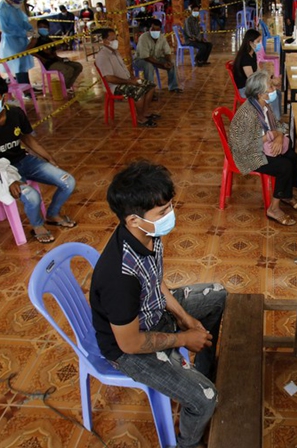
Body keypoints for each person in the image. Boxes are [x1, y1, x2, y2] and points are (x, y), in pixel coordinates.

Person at [91, 160, 226, 448]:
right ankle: (187, 444)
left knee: (217, 294)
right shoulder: (119, 277)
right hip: (128, 348)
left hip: (153, 311)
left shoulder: (149, 233)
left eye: (170, 207)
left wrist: (185, 318)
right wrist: (183, 338)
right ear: (133, 220)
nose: (171, 215)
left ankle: (203, 367)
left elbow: (154, 281)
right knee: (206, 399)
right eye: (163, 212)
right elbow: (129, 343)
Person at [0, 74, 77, 243]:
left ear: (4, 97)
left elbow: (27, 138)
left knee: (68, 182)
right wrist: (5, 181)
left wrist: (48, 158)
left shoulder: (15, 113)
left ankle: (52, 214)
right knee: (32, 196)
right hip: (2, 170)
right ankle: (37, 226)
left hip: (24, 160)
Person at [228, 72, 297, 226]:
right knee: (284, 166)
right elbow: (243, 147)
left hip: (264, 147)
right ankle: (273, 209)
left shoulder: (264, 105)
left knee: (293, 157)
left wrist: (279, 138)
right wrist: (271, 137)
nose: (274, 88)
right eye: (270, 87)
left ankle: (286, 195)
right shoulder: (248, 114)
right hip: (249, 155)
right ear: (260, 93)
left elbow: (279, 125)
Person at [95, 28, 159, 127]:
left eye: (115, 38)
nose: (115, 41)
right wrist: (129, 82)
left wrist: (131, 78)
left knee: (150, 86)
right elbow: (109, 78)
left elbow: (123, 70)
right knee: (138, 91)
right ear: (104, 41)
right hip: (115, 87)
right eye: (112, 39)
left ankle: (145, 113)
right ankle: (140, 118)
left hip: (126, 81)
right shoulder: (103, 56)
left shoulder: (115, 52)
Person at [232, 29, 282, 118]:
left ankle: (276, 118)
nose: (260, 44)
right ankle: (275, 120)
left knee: (277, 92)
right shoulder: (245, 58)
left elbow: (259, 72)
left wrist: (270, 78)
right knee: (272, 94)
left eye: (260, 41)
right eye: (258, 41)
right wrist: (269, 83)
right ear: (250, 43)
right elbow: (252, 80)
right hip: (246, 89)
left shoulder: (253, 54)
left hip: (252, 84)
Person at [29, 20, 83, 90]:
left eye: (44, 27)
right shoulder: (36, 38)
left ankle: (66, 87)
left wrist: (59, 56)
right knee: (68, 70)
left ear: (48, 28)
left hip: (56, 60)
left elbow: (56, 49)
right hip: (48, 63)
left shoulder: (49, 38)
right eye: (40, 27)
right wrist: (41, 58)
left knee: (78, 66)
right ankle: (61, 90)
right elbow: (29, 50)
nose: (42, 29)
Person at [133, 18, 182, 93]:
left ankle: (173, 87)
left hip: (156, 58)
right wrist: (162, 64)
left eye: (157, 29)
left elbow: (167, 52)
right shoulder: (143, 37)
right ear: (149, 29)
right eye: (153, 29)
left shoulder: (162, 37)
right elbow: (146, 57)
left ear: (160, 30)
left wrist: (168, 62)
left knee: (172, 63)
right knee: (149, 66)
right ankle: (150, 91)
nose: (155, 31)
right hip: (141, 60)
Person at [0, 0, 34, 85]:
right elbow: (6, 29)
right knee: (18, 66)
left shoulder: (14, 8)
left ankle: (27, 86)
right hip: (11, 42)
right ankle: (24, 88)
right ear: (10, 0)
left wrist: (29, 29)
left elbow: (21, 21)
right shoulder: (2, 9)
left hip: (21, 41)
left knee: (24, 65)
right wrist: (23, 33)